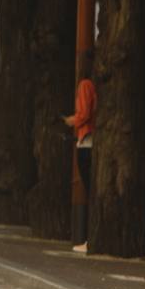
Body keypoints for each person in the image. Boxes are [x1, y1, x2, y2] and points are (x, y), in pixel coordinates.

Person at [64, 68, 96, 253]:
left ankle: (90, 239)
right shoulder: (96, 85)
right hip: (92, 140)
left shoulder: (85, 84)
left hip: (86, 141)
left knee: (90, 190)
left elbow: (84, 113)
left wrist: (72, 120)